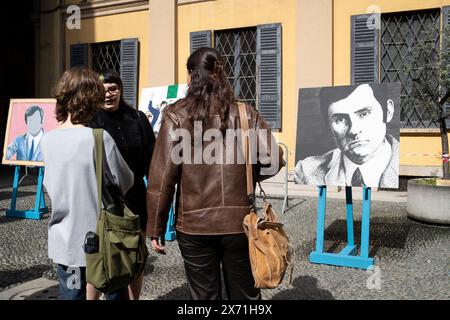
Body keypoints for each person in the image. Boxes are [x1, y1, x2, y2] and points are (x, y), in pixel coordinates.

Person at [146, 47, 284, 300]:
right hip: (239, 223)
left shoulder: (176, 115)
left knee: (204, 297)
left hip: (194, 225)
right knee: (245, 296)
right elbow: (273, 160)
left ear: (190, 76)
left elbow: (162, 176)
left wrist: (155, 226)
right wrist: (249, 175)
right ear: (221, 75)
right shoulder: (245, 113)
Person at [41, 68, 134, 300]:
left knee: (72, 294)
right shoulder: (99, 138)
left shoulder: (47, 140)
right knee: (114, 293)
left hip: (65, 240)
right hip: (104, 239)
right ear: (92, 99)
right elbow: (125, 180)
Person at [88, 70, 155, 300]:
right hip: (103, 198)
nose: (108, 94)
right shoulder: (90, 120)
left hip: (136, 197)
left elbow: (152, 160)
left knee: (136, 255)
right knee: (100, 255)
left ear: (121, 90)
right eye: (104, 89)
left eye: (113, 88)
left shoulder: (138, 118)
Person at [294, 83, 399, 188]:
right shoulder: (306, 172)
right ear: (329, 126)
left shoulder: (404, 165)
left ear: (388, 111)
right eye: (340, 119)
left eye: (364, 114)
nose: (354, 130)